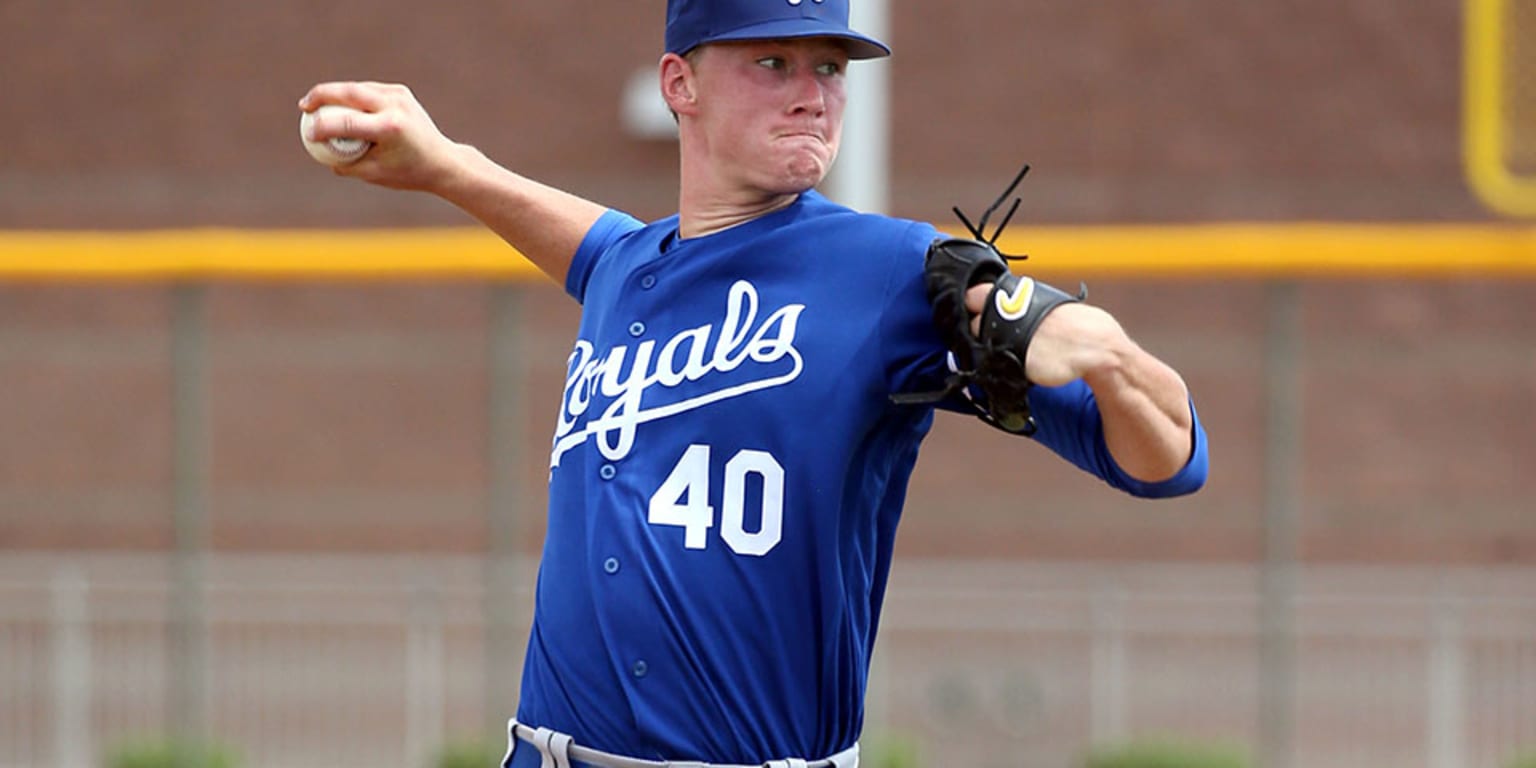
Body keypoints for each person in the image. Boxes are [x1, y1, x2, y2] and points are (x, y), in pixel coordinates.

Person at [299, 1, 1208, 766]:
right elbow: (593, 242)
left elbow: (1169, 461)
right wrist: (444, 165)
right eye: (773, 61)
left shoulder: (894, 273)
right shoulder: (631, 265)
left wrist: (1112, 360)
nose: (812, 94)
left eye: (830, 67)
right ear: (677, 86)